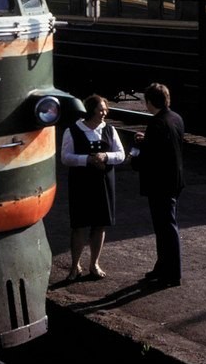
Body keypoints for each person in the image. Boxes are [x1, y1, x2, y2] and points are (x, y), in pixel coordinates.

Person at [60, 94, 125, 281]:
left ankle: (94, 264)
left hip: (103, 182)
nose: (104, 113)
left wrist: (106, 156)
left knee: (99, 224)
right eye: (100, 109)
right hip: (81, 183)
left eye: (105, 109)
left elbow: (121, 154)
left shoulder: (110, 130)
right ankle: (75, 266)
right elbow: (65, 157)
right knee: (79, 225)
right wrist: (87, 159)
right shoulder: (72, 130)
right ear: (91, 111)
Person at [130, 83, 185, 287]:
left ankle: (172, 273)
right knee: (165, 226)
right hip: (175, 180)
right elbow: (167, 146)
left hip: (160, 183)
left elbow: (150, 157)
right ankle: (163, 267)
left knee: (166, 228)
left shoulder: (156, 124)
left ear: (150, 102)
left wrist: (137, 151)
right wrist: (148, 140)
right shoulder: (175, 118)